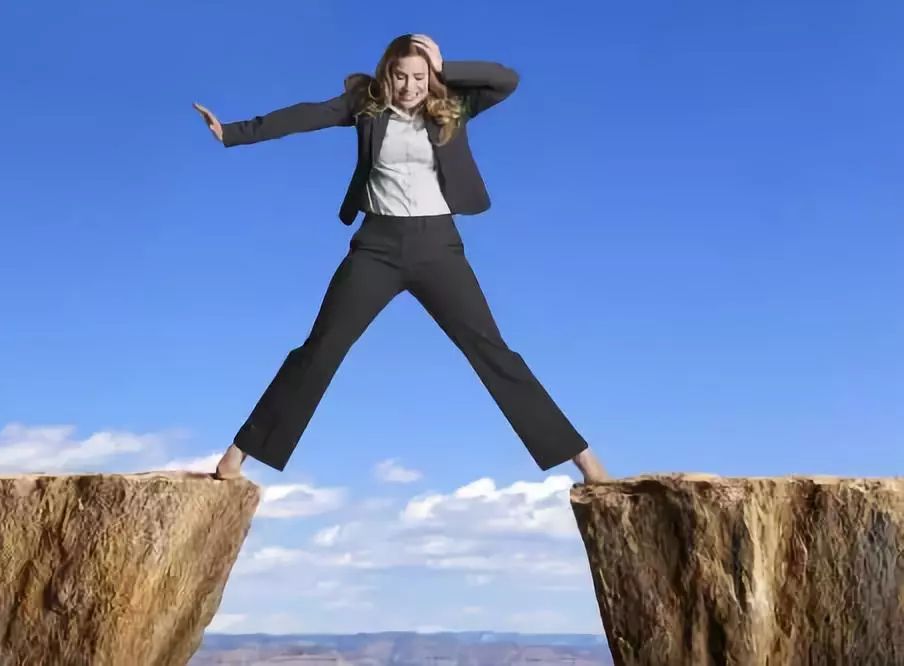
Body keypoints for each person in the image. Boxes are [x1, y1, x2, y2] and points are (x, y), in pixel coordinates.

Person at [194, 34, 610, 484]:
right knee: (321, 348)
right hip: (377, 246)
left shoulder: (453, 105)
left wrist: (444, 67)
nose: (410, 86)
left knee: (492, 351)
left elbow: (505, 79)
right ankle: (237, 454)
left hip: (439, 248)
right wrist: (233, 132)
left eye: (419, 77)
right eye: (400, 76)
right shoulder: (365, 106)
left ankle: (584, 460)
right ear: (386, 75)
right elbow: (306, 115)